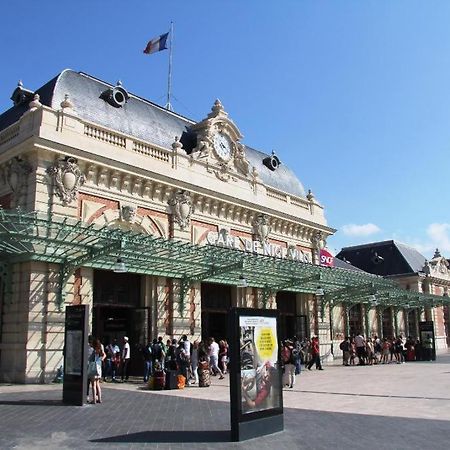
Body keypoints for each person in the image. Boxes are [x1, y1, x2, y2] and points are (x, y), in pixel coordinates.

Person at [88, 337, 106, 404]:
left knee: (93, 384)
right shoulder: (100, 349)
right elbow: (104, 355)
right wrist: (101, 359)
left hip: (93, 368)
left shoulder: (93, 350)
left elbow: (90, 358)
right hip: (98, 367)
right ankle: (100, 399)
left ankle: (94, 400)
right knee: (98, 384)